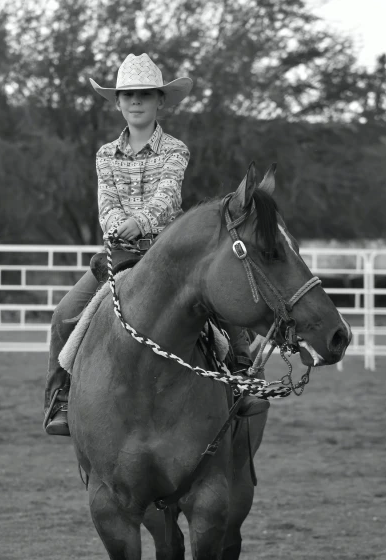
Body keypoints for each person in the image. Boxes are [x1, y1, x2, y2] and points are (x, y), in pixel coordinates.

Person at [43, 53, 268, 436]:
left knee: (221, 306)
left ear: (159, 101)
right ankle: (60, 400)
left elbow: (167, 197)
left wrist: (140, 222)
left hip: (170, 256)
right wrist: (118, 228)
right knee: (64, 315)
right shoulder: (104, 155)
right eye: (128, 95)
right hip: (119, 256)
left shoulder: (175, 149)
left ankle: (239, 380)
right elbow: (106, 203)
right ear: (117, 102)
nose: (135, 101)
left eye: (144, 94)